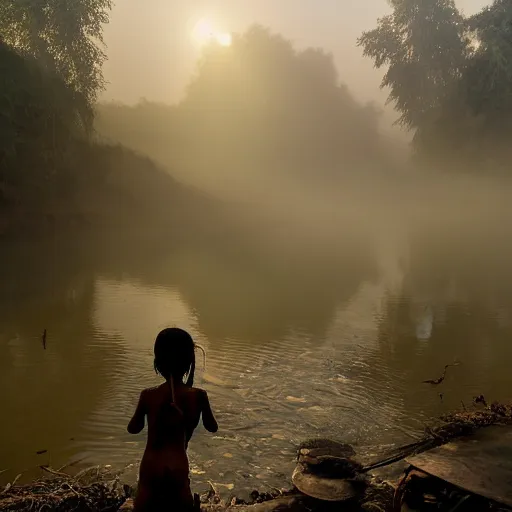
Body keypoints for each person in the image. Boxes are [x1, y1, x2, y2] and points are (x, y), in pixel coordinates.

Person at [128, 328, 218, 512]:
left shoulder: (148, 395)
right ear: (189, 363)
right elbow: (212, 427)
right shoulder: (199, 396)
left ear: (158, 363)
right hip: (178, 464)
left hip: (151, 465)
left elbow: (133, 428)